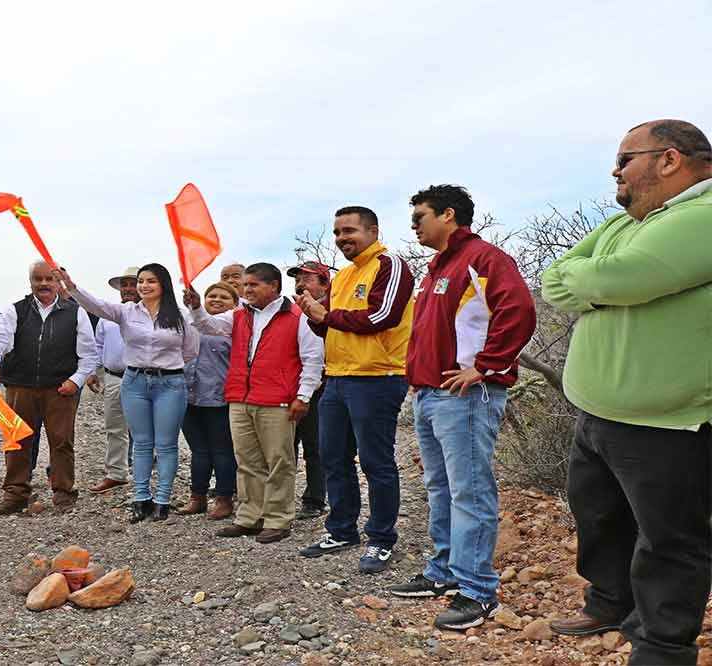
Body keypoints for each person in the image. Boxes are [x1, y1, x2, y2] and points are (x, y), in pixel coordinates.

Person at [541, 119, 712, 665]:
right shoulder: (628, 222)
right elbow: (555, 278)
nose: (615, 171)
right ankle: (609, 603)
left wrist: (602, 286)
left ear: (669, 159)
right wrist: (602, 284)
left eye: (624, 159)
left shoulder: (702, 216)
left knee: (669, 540)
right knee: (600, 519)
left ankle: (662, 647)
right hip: (598, 414)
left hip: (668, 422)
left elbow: (623, 278)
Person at [388, 184, 536, 631]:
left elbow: (521, 311)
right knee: (440, 487)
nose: (414, 226)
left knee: (469, 490)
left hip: (467, 395)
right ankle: (444, 572)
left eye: (420, 217)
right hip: (432, 394)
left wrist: (486, 367)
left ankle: (477, 592)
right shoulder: (437, 268)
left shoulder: (484, 259)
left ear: (448, 215)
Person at [296, 206, 413, 573]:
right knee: (334, 457)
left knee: (376, 462)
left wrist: (325, 316)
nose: (342, 238)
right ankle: (342, 529)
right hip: (338, 377)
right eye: (337, 232)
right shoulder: (343, 276)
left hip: (378, 377)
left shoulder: (389, 265)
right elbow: (330, 327)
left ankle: (381, 538)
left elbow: (382, 317)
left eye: (350, 230)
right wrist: (313, 315)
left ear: (373, 230)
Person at [186, 263, 324, 543]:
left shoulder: (298, 315)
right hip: (240, 398)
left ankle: (277, 519)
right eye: (246, 285)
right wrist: (197, 307)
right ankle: (250, 516)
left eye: (253, 285)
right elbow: (208, 325)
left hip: (278, 400)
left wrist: (303, 396)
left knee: (279, 462)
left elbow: (313, 359)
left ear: (273, 286)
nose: (246, 290)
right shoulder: (238, 315)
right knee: (247, 461)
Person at [60, 263, 199, 523]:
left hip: (169, 383)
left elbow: (191, 350)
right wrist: (71, 286)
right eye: (141, 281)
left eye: (151, 281)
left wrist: (165, 364)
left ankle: (163, 500)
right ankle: (140, 497)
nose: (143, 286)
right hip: (134, 382)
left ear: (163, 285)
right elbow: (95, 305)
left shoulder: (180, 316)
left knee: (166, 445)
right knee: (142, 442)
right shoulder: (126, 312)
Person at [0, 262, 97, 514]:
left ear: (58, 282)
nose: (43, 284)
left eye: (49, 279)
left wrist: (75, 381)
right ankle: (15, 493)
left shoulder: (75, 312)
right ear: (30, 281)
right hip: (20, 387)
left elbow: (89, 355)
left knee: (62, 442)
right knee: (17, 440)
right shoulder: (14, 310)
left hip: (60, 388)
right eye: (38, 278)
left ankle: (64, 492)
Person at [176, 281, 238, 520]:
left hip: (219, 397)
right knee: (198, 450)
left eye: (224, 297)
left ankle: (224, 497)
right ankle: (197, 496)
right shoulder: (189, 322)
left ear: (234, 303)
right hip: (188, 395)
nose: (217, 299)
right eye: (212, 295)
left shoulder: (234, 327)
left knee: (222, 450)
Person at [87, 266, 139, 494]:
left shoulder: (154, 314)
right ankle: (117, 473)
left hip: (141, 377)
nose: (128, 289)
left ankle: (143, 478)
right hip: (113, 377)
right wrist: (92, 371)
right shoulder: (108, 316)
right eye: (124, 284)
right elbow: (97, 345)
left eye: (132, 284)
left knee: (144, 429)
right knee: (114, 427)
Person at [286, 261, 331, 520]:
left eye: (308, 278)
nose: (301, 283)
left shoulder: (335, 307)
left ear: (324, 283)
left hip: (324, 385)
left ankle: (315, 499)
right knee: (286, 444)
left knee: (315, 445)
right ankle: (283, 497)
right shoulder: (291, 311)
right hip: (293, 385)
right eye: (298, 279)